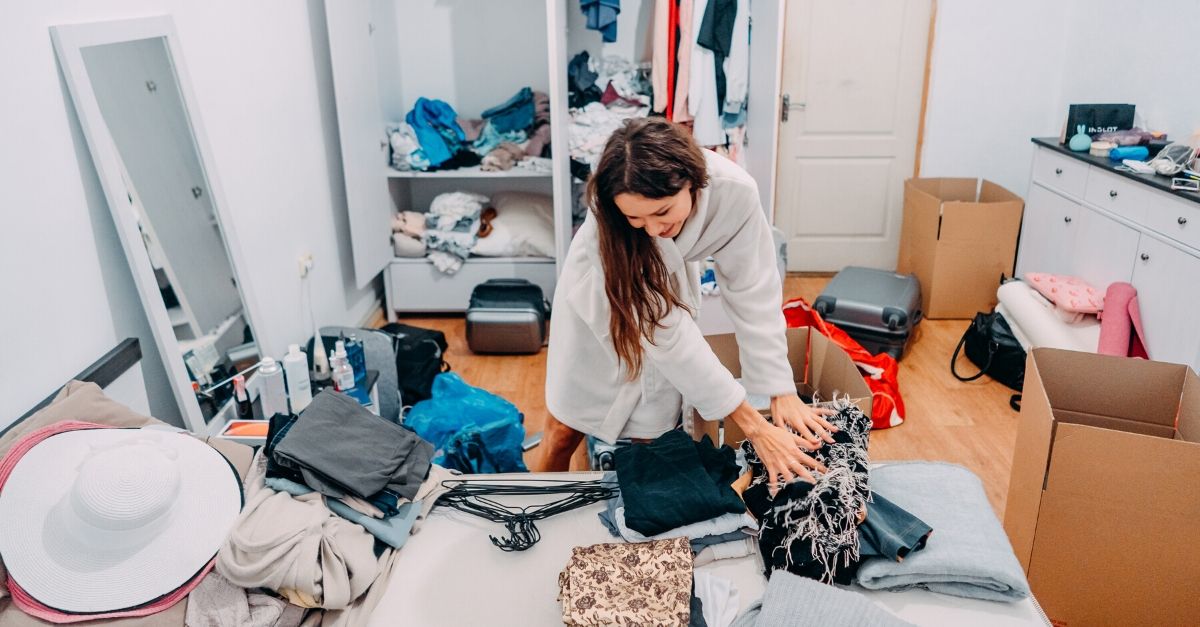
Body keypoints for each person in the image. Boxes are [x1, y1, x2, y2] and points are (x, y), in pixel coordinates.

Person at [539, 117, 836, 489]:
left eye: (662, 212)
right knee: (564, 429)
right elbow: (664, 332)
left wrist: (781, 389)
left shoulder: (735, 193)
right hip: (601, 296)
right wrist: (755, 427)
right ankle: (533, 506)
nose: (652, 229)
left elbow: (753, 288)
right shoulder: (609, 221)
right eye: (634, 218)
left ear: (693, 182)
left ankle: (639, 509)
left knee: (654, 437)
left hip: (667, 293)